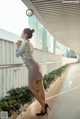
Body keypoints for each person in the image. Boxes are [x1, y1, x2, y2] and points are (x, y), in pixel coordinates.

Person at [16, 28, 51, 116]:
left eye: (22, 32)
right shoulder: (30, 43)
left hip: (32, 67)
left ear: (25, 35)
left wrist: (18, 45)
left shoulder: (24, 43)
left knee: (31, 87)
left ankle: (43, 105)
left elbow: (17, 54)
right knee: (40, 87)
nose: (21, 33)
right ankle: (43, 110)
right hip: (36, 66)